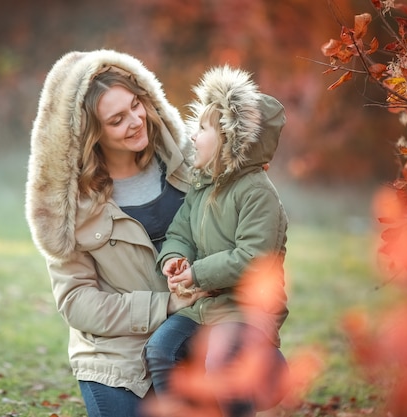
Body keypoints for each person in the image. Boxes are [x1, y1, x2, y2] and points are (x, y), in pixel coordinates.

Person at [25, 49, 206, 417]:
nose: (136, 121)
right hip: (117, 357)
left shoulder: (192, 164)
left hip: (195, 333)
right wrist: (164, 305)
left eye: (136, 105)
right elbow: (77, 302)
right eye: (117, 119)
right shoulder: (71, 207)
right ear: (92, 133)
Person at [144, 65, 290, 417]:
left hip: (244, 310)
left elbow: (253, 258)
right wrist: (175, 260)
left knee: (220, 362)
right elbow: (180, 233)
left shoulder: (258, 194)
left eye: (203, 129)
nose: (193, 137)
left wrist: (196, 275)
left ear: (232, 140)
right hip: (202, 308)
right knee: (160, 349)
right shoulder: (202, 187)